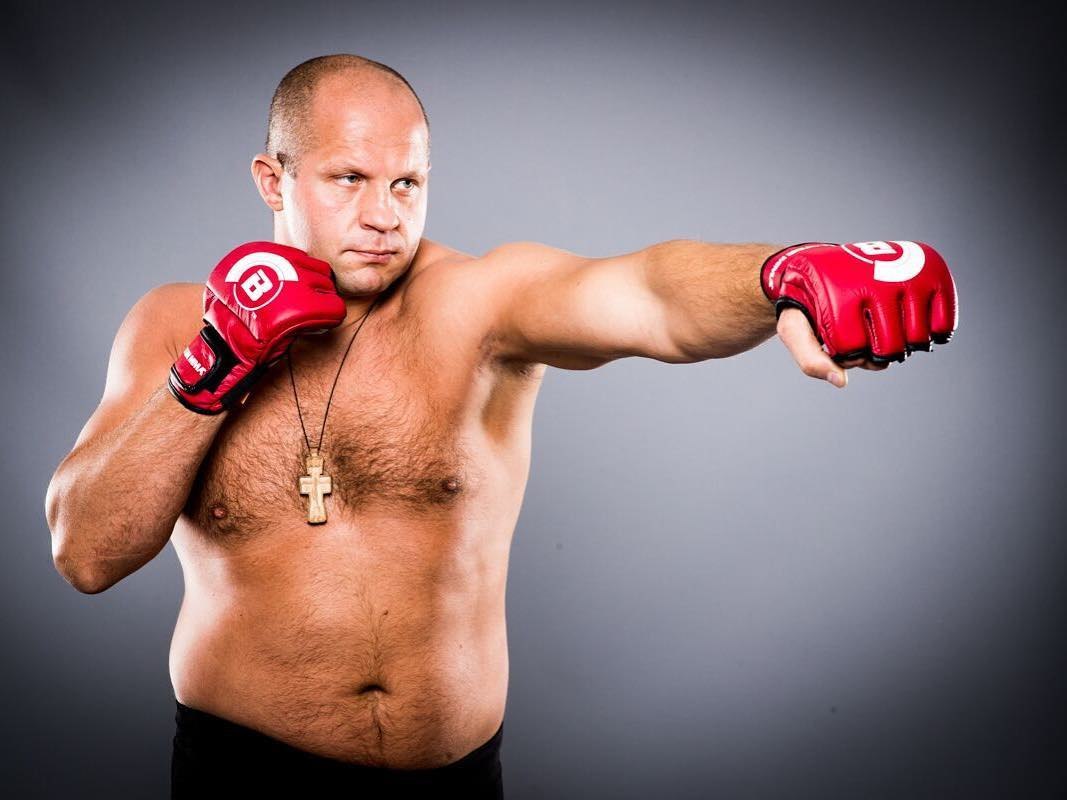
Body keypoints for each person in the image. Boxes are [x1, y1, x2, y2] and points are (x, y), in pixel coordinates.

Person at [44, 54, 958, 798]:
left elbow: (645, 294)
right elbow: (85, 554)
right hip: (240, 771)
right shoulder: (176, 323)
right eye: (349, 178)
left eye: (407, 183)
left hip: (450, 782)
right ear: (271, 178)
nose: (383, 216)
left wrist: (781, 273)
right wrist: (212, 365)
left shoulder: (474, 306)